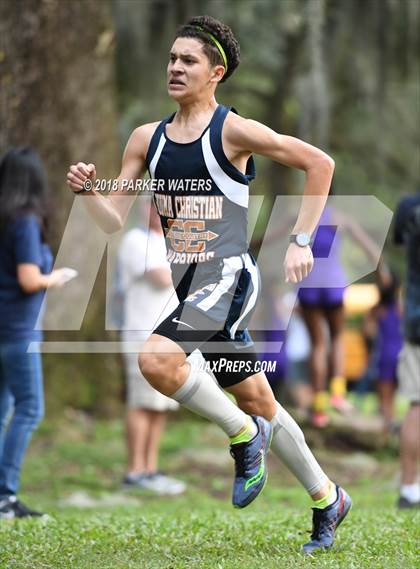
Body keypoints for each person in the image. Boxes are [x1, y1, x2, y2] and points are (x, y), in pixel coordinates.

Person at [67, 15, 352, 553]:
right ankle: (327, 496)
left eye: (188, 60)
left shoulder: (232, 130)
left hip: (225, 277)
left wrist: (301, 240)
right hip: (188, 285)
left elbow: (319, 162)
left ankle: (244, 439)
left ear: (215, 72)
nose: (175, 67)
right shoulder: (145, 139)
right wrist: (88, 191)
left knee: (155, 360)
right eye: (171, 58)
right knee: (259, 399)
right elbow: (114, 218)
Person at [0, 147, 71, 519]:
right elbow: (29, 279)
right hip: (18, 331)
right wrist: (55, 278)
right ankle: (5, 496)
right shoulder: (25, 220)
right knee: (30, 410)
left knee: (3, 411)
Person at [117, 197, 186, 495]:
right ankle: (135, 471)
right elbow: (162, 277)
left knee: (160, 405)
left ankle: (150, 469)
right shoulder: (136, 240)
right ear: (146, 210)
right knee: (142, 403)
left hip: (169, 338)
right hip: (141, 335)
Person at [297, 202, 383, 427]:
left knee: (317, 344)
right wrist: (383, 273)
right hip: (334, 285)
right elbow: (370, 249)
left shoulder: (300, 215)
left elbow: (273, 237)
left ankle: (318, 409)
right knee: (336, 338)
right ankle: (337, 394)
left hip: (309, 284)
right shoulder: (340, 217)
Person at [394, 191, 420, 509]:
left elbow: (401, 242)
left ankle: (409, 486)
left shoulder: (409, 206)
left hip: (416, 312)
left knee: (417, 403)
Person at [362, 268, 403, 433]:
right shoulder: (402, 308)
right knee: (392, 396)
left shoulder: (376, 311)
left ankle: (388, 428)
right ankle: (392, 426)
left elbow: (367, 332)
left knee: (384, 398)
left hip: (385, 356)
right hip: (402, 355)